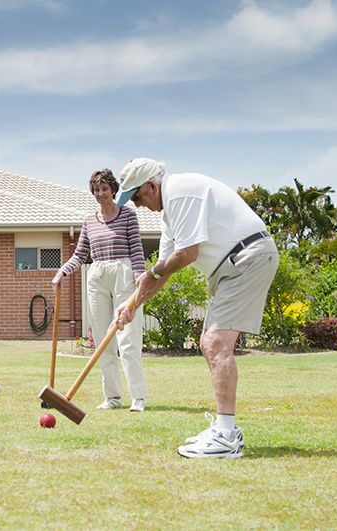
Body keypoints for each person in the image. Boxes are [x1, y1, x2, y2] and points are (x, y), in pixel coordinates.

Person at [113, 158, 278, 459]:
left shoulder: (181, 192)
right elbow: (162, 272)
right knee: (211, 343)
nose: (136, 205)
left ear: (151, 185)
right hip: (232, 266)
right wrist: (131, 305)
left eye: (136, 197)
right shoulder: (169, 217)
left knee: (215, 343)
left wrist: (148, 279)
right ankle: (225, 430)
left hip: (247, 257)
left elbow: (187, 254)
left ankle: (227, 436)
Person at [52, 168, 148, 412]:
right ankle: (113, 398)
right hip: (97, 275)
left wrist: (139, 277)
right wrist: (62, 272)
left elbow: (137, 250)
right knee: (103, 340)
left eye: (105, 188)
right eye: (96, 189)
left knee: (128, 338)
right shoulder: (88, 220)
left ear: (113, 190)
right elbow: (80, 254)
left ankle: (138, 398)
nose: (100, 193)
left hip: (123, 273)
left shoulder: (127, 216)